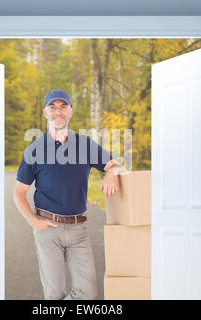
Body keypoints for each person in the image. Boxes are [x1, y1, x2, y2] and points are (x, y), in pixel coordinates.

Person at [13, 89, 125, 300]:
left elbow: (114, 164)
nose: (58, 112)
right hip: (47, 229)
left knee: (87, 292)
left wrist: (111, 172)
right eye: (52, 107)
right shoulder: (34, 149)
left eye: (63, 106)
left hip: (78, 230)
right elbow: (19, 193)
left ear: (71, 111)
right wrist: (34, 222)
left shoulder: (85, 144)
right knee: (54, 293)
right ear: (45, 112)